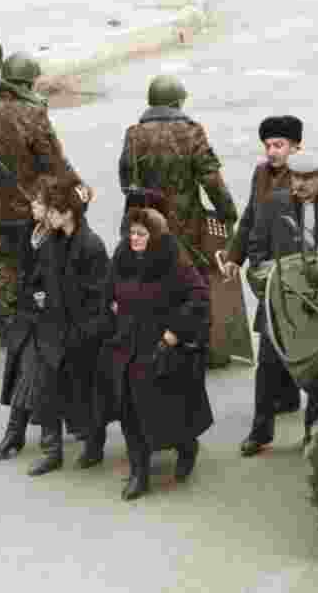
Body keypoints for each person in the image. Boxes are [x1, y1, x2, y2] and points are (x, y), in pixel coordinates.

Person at [0, 175, 108, 476]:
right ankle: (42, 446)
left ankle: (56, 446)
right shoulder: (53, 240)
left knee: (51, 382)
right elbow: (42, 277)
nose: (46, 213)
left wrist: (79, 332)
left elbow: (97, 298)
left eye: (52, 209)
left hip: (76, 331)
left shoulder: (90, 245)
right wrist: (40, 297)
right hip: (50, 324)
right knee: (36, 373)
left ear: (67, 213)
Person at [242, 151, 318, 456]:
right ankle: (260, 432)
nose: (301, 184)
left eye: (308, 178)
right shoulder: (272, 205)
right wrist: (266, 287)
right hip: (279, 302)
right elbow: (255, 252)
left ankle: (312, 435)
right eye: (296, 177)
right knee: (268, 368)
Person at [0, 52, 91, 341]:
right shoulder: (32, 113)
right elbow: (54, 161)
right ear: (26, 82)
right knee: (35, 261)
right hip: (29, 205)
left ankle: (3, 309)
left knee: (6, 260)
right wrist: (77, 184)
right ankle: (15, 314)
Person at [98, 206, 214, 500]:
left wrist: (174, 332)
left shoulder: (173, 261)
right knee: (130, 410)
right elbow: (108, 289)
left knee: (167, 410)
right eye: (131, 232)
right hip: (127, 346)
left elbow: (199, 296)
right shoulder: (122, 257)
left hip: (161, 346)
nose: (134, 238)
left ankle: (186, 447)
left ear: (155, 236)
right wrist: (111, 308)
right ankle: (140, 472)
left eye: (141, 233)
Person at [220, 115, 305, 414]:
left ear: (296, 147)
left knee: (275, 335)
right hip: (261, 268)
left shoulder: (306, 178)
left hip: (287, 270)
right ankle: (287, 396)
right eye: (268, 145)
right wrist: (234, 257)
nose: (272, 151)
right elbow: (249, 216)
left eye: (279, 145)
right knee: (277, 332)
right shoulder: (261, 174)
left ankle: (270, 408)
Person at [117, 74, 237, 271]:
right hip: (187, 227)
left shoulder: (134, 134)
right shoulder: (191, 132)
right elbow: (211, 180)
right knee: (190, 281)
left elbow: (127, 182)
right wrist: (227, 212)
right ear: (177, 102)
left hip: (147, 225)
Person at [0, 175, 55, 460]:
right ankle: (17, 436)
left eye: (38, 202)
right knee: (27, 373)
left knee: (36, 376)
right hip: (28, 315)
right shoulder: (33, 231)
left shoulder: (61, 239)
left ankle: (21, 437)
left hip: (49, 321)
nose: (32, 206)